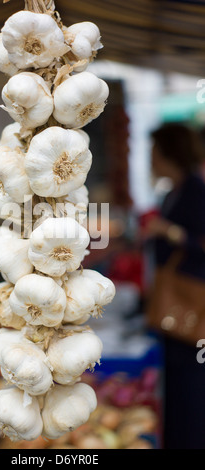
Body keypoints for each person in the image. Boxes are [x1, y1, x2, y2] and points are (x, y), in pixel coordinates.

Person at [143, 122, 205, 449]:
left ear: (169, 153)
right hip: (175, 308)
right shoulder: (174, 191)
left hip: (191, 305)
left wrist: (168, 231)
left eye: (153, 152)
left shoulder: (196, 189)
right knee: (178, 388)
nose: (149, 159)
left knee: (192, 389)